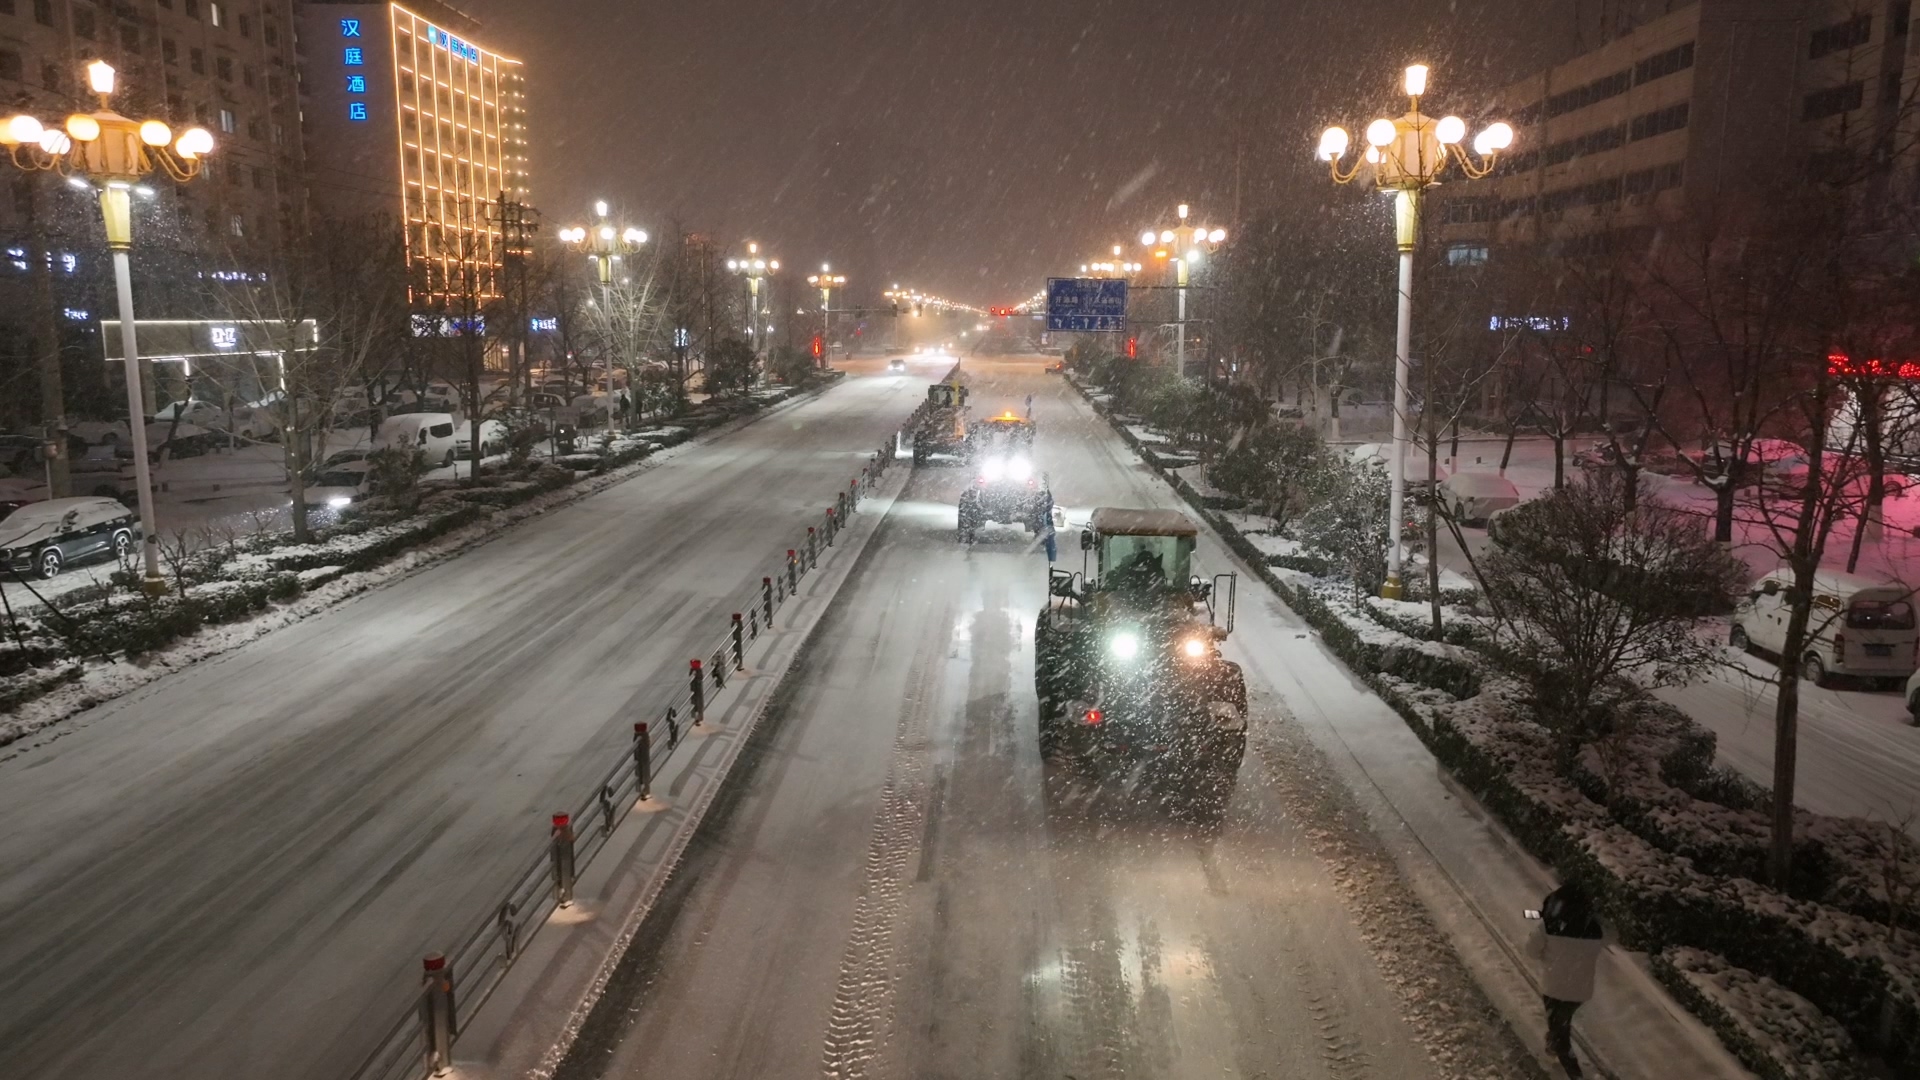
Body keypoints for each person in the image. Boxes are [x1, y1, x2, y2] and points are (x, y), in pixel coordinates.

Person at [1529, 879, 1606, 1077]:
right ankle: (1554, 1040)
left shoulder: (1549, 926)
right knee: (1562, 1018)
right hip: (1580, 991)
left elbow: (1531, 951)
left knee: (1561, 1034)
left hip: (1554, 988)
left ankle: (1574, 1073)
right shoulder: (1595, 930)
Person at [1032, 486, 1056, 563]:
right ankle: (1051, 560)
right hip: (1046, 527)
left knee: (1050, 541)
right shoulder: (1044, 510)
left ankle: (1051, 560)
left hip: (1045, 527)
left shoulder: (1043, 510)